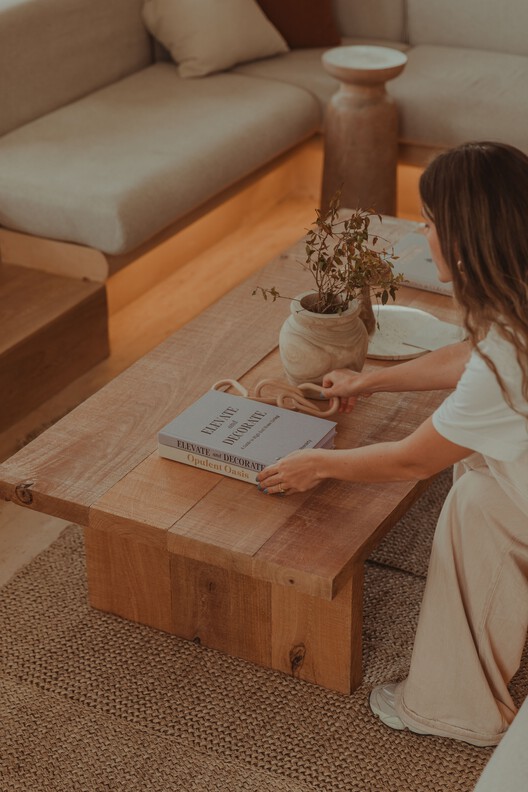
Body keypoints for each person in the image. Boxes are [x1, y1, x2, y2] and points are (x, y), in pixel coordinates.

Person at [257, 141, 528, 747]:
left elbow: (414, 458)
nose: (420, 236)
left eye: (427, 223)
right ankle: (459, 686)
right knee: (481, 487)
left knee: (474, 494)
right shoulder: (519, 306)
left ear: (462, 238)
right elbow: (472, 354)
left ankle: (452, 710)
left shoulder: (509, 357)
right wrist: (371, 379)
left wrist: (316, 464)